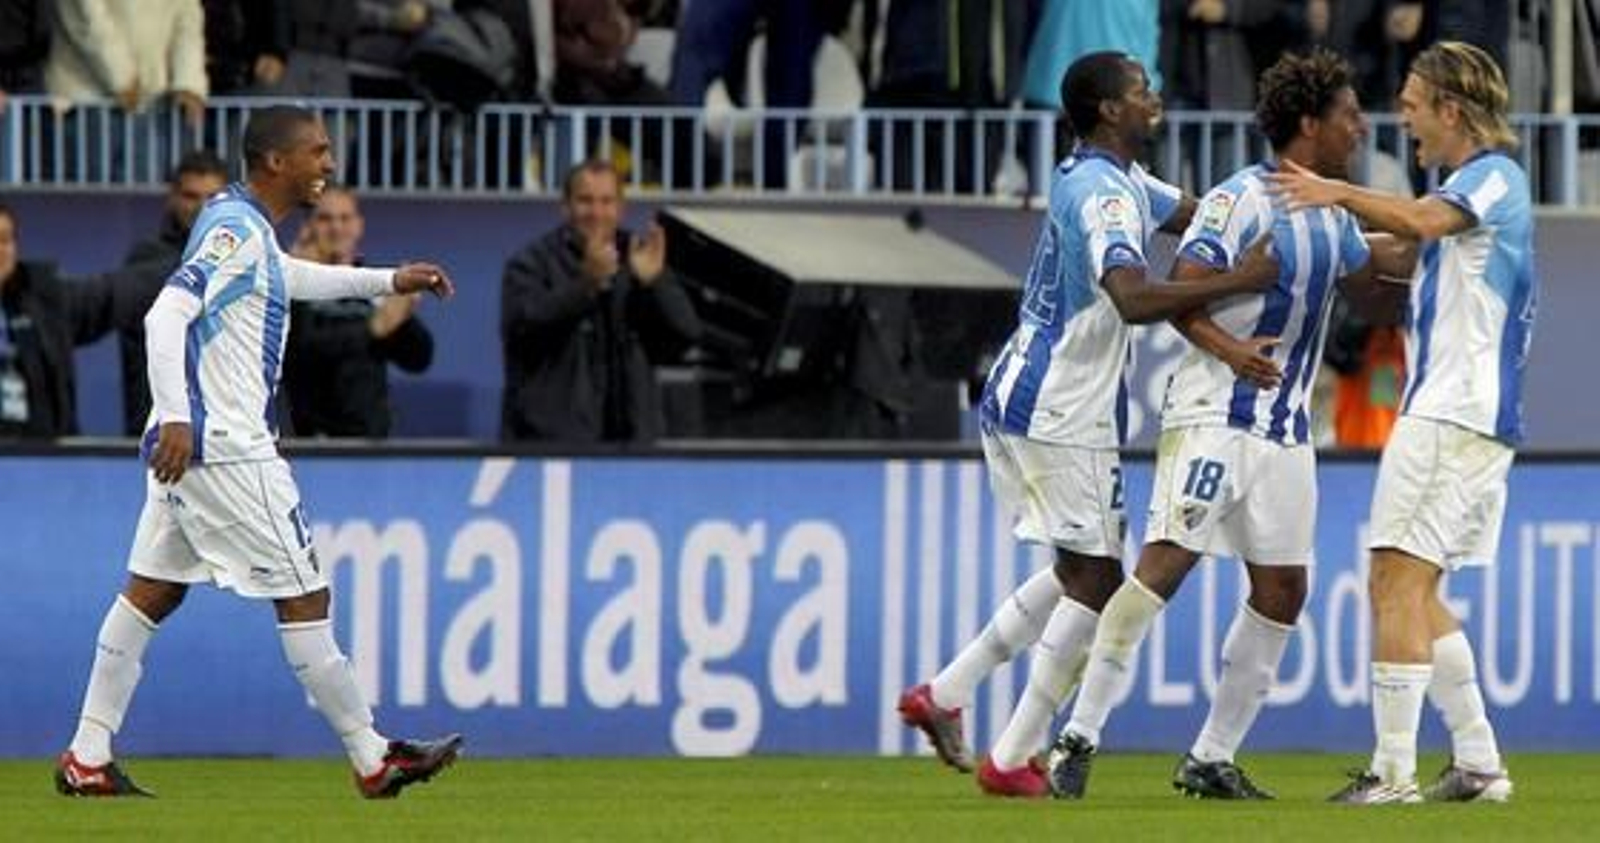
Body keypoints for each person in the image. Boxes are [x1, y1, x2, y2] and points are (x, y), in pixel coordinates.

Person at [895, 50, 1279, 797]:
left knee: (1079, 568)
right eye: (1141, 90)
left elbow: (1200, 214)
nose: (1154, 96)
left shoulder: (1117, 177)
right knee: (1098, 580)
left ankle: (947, 694)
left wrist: (1276, 212)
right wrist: (1245, 278)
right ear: (1109, 110)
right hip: (1059, 407)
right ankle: (1010, 757)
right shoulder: (1104, 196)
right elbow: (1131, 297)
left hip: (1034, 394)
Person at [54, 105, 463, 799]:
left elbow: (288, 276)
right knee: (305, 593)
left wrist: (388, 279)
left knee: (153, 590)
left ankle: (87, 753)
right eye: (318, 151)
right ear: (278, 160)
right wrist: (178, 417)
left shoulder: (237, 222)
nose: (329, 164)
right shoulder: (236, 228)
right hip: (226, 449)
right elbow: (165, 314)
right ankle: (373, 758)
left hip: (199, 447)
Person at [1043, 49, 1415, 802]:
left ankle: (1211, 756)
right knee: (1165, 565)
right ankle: (1075, 738)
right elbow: (1182, 292)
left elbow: (1373, 281)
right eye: (1348, 115)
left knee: (1283, 588)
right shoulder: (1238, 199)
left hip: (1286, 430)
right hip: (1214, 412)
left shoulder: (1334, 213)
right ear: (1308, 123)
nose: (1360, 127)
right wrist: (1231, 351)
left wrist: (1445, 240)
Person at [1269, 40, 1530, 805]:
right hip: (1462, 415)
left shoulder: (1492, 177)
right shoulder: (1470, 202)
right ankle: (1478, 761)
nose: (1405, 120)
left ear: (1452, 108)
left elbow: (1416, 220)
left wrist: (1333, 193)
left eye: (1414, 106)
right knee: (1415, 588)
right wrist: (1323, 243)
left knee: (1393, 576)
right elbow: (1404, 245)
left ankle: (1392, 773)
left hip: (1452, 412)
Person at [500, 158, 702, 443]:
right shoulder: (530, 263)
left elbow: (685, 336)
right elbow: (523, 331)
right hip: (552, 445)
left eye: (607, 201)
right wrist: (587, 285)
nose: (596, 212)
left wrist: (654, 284)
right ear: (565, 206)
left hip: (632, 444)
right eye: (585, 201)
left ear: (620, 208)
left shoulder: (639, 256)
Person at [283, 186, 434, 438]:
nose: (336, 228)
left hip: (369, 443)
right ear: (308, 227)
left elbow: (418, 359)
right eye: (325, 218)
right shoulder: (292, 287)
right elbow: (299, 351)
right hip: (308, 442)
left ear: (358, 226)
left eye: (345, 218)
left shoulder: (373, 287)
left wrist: (403, 319)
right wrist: (372, 330)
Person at [0, 204, 149, 437]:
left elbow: (115, 294)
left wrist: (190, 271)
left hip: (38, 453)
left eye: (4, 240)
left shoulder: (43, 299)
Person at [118, 150, 232, 436]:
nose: (202, 208)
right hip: (163, 425)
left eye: (212, 198)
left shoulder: (250, 255)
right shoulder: (147, 260)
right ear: (172, 199)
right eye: (191, 196)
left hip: (233, 421)